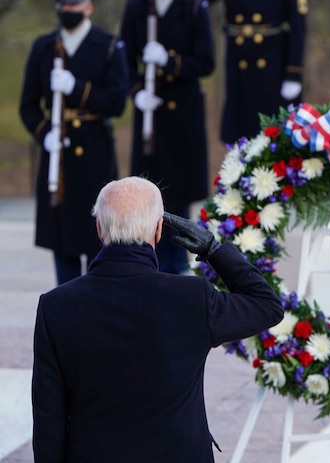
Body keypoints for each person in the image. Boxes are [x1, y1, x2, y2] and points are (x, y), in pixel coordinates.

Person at [31, 176, 284, 462]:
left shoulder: (56, 306)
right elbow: (267, 306)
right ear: (159, 230)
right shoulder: (191, 297)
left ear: (99, 229)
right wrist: (214, 250)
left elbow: (48, 418)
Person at [19, 0, 129, 285]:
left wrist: (77, 87)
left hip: (95, 154)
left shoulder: (108, 46)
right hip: (60, 164)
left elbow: (117, 102)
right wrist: (45, 133)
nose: (69, 7)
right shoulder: (44, 47)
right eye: (64, 1)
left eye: (75, 1)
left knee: (99, 244)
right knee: (64, 249)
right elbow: (27, 107)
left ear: (89, 6)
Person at [121, 0, 215, 274]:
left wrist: (170, 61)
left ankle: (178, 267)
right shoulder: (136, 7)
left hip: (183, 115)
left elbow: (205, 62)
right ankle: (148, 264)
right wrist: (136, 91)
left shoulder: (193, 6)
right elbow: (125, 61)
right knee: (145, 192)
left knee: (178, 194)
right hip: (151, 116)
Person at [194, 0, 308, 145]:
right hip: (238, 63)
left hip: (273, 63)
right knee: (239, 133)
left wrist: (294, 73)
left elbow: (298, 26)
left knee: (272, 136)